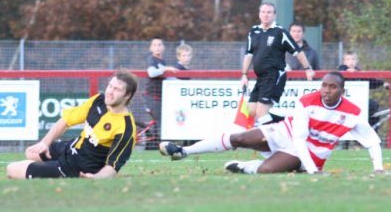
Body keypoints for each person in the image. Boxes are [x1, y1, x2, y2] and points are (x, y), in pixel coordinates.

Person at [159, 72, 384, 175]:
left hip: (309, 154)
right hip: (286, 134)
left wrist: (378, 169)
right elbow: (298, 136)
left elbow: (372, 141)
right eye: (324, 85)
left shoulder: (352, 112)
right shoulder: (307, 102)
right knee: (239, 137)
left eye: (332, 87)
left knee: (266, 170)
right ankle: (183, 151)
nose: (326, 90)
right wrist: (315, 173)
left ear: (342, 91)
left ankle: (244, 167)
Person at [6, 70, 138, 179]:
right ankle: (47, 167)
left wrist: (95, 177)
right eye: (110, 86)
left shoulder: (126, 128)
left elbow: (113, 167)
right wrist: (45, 143)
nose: (110, 91)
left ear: (127, 96)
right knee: (30, 152)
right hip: (71, 148)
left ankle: (53, 170)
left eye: (117, 89)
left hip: (77, 166)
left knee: (11, 169)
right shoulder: (99, 100)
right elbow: (66, 120)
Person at [240, 2, 315, 126]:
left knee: (261, 114)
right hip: (261, 78)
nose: (266, 15)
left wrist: (307, 68)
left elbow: (297, 51)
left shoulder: (280, 32)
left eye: (269, 12)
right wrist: (244, 75)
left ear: (274, 15)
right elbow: (248, 54)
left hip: (274, 76)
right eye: (263, 12)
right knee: (251, 110)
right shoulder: (253, 31)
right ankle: (289, 123)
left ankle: (278, 137)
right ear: (259, 14)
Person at [338, 51, 389, 131]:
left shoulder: (359, 73)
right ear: (344, 62)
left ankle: (370, 132)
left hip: (360, 102)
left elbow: (370, 80)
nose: (351, 61)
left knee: (373, 105)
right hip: (345, 103)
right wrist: (346, 71)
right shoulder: (340, 72)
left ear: (356, 61)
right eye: (348, 59)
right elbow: (338, 76)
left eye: (353, 59)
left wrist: (382, 83)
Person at [143, 37, 178, 149]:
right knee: (161, 122)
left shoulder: (162, 61)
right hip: (152, 96)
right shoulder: (151, 59)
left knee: (160, 121)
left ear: (163, 47)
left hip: (160, 96)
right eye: (154, 45)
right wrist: (166, 68)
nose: (157, 47)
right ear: (151, 48)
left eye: (159, 45)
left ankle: (153, 145)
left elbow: (165, 77)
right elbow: (152, 73)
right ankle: (162, 147)